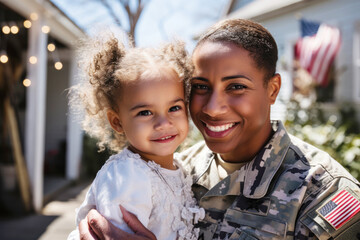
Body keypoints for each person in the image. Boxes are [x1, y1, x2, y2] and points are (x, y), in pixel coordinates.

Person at [78, 19, 360, 240]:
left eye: (236, 86)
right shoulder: (175, 169)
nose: (212, 108)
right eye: (201, 87)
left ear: (272, 89)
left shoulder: (321, 193)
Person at [67, 36, 205, 240]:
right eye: (145, 112)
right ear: (117, 122)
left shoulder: (178, 168)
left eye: (174, 108)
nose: (163, 123)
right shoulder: (126, 176)